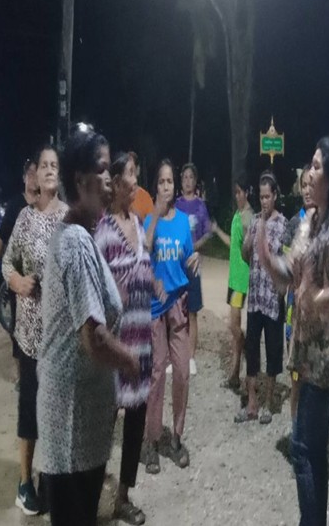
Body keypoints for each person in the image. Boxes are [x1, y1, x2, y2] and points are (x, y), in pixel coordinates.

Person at [259, 138, 329, 526]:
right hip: (305, 350)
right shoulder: (309, 222)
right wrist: (269, 261)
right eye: (312, 165)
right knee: (315, 450)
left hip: (327, 356)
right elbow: (292, 270)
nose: (310, 171)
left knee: (302, 446)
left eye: (317, 166)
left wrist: (327, 297)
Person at [37, 129, 139, 526]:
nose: (109, 179)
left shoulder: (81, 235)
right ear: (80, 180)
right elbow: (94, 338)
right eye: (103, 169)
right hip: (71, 426)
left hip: (80, 426)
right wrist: (130, 361)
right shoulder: (76, 241)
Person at [2, 145, 68, 516]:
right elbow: (8, 262)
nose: (49, 170)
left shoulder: (70, 219)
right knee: (29, 413)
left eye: (54, 165)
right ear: (36, 175)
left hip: (59, 341)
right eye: (44, 165)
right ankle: (25, 483)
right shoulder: (25, 218)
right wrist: (16, 282)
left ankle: (52, 480)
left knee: (56, 416)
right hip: (29, 338)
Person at [94, 153, 154, 525]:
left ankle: (123, 497)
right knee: (104, 423)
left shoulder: (139, 224)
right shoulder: (102, 233)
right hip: (115, 348)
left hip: (142, 343)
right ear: (115, 183)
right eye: (131, 174)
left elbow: (145, 274)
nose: (136, 180)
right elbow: (95, 293)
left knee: (134, 424)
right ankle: (90, 492)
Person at [143, 159, 194, 474]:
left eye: (170, 181)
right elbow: (144, 250)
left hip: (177, 305)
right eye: (161, 182)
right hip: (154, 307)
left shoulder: (184, 222)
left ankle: (175, 437)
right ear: (155, 187)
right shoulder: (150, 221)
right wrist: (155, 216)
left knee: (183, 373)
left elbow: (187, 259)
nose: (166, 187)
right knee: (157, 374)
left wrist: (194, 261)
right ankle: (151, 441)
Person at [234, 171, 288, 424]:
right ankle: (252, 403)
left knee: (274, 350)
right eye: (262, 197)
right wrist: (248, 242)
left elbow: (286, 261)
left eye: (268, 197)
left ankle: (269, 401)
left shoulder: (283, 224)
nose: (264, 201)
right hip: (256, 297)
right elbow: (246, 255)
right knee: (252, 349)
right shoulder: (255, 221)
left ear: (275, 196)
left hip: (273, 299)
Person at [0, 158, 39, 384]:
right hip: (18, 277)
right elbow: (1, 238)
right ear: (24, 178)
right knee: (18, 327)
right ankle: (21, 375)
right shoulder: (16, 205)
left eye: (37, 174)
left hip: (40, 278)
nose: (34, 179)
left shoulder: (46, 203)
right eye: (31, 174)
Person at [211, 173, 254, 390]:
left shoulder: (248, 218)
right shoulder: (238, 215)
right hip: (234, 278)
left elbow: (250, 249)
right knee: (234, 327)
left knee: (234, 328)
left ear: (247, 193)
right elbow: (234, 245)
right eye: (235, 192)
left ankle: (242, 360)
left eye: (239, 192)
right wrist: (217, 230)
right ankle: (236, 373)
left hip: (241, 281)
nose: (237, 196)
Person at [281, 163, 313, 422]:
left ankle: (311, 427)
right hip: (295, 303)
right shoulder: (293, 224)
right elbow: (285, 265)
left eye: (311, 184)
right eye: (304, 185)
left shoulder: (327, 222)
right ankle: (296, 428)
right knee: (295, 372)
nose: (307, 190)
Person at [175, 162, 212, 376]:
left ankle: (190, 357)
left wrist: (195, 245)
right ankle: (176, 354)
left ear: (195, 181)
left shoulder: (200, 206)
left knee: (192, 311)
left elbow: (207, 232)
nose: (188, 181)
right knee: (176, 311)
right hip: (177, 264)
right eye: (185, 177)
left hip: (193, 264)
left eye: (191, 177)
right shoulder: (176, 205)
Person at [129, 151, 154, 223]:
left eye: (131, 170)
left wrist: (137, 218)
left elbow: (151, 226)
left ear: (138, 170)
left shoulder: (146, 198)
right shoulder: (118, 197)